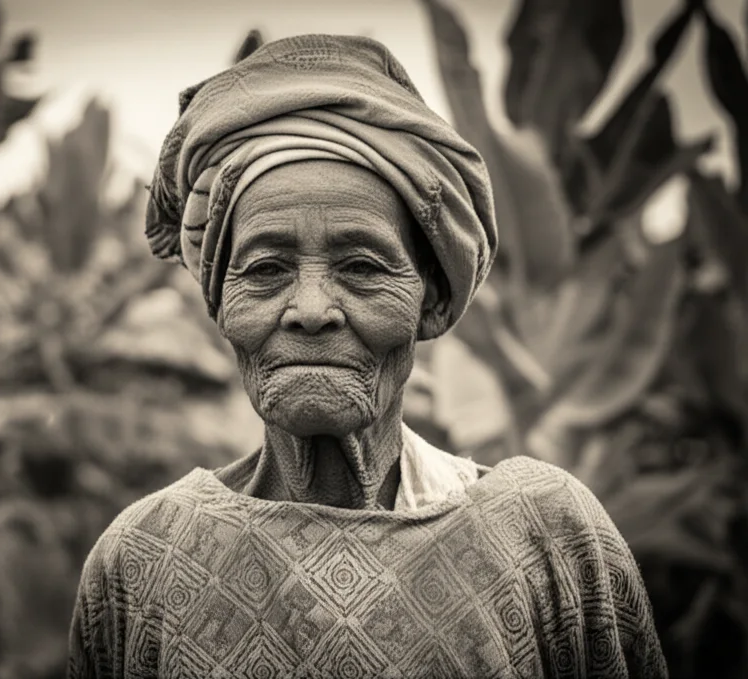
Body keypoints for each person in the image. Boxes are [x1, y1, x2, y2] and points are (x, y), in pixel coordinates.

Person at [66, 34, 667, 678]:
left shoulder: (546, 535)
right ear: (221, 300)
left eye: (361, 266)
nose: (311, 308)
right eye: (266, 269)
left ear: (431, 300)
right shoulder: (144, 556)